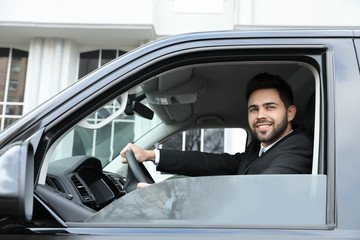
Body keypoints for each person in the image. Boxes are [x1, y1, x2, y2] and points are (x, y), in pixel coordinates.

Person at [121, 72, 313, 187]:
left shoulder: (299, 146)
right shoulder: (259, 149)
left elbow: (258, 190)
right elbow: (214, 163)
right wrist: (150, 155)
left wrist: (168, 200)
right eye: (254, 109)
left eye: (270, 107)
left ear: (290, 113)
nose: (260, 115)